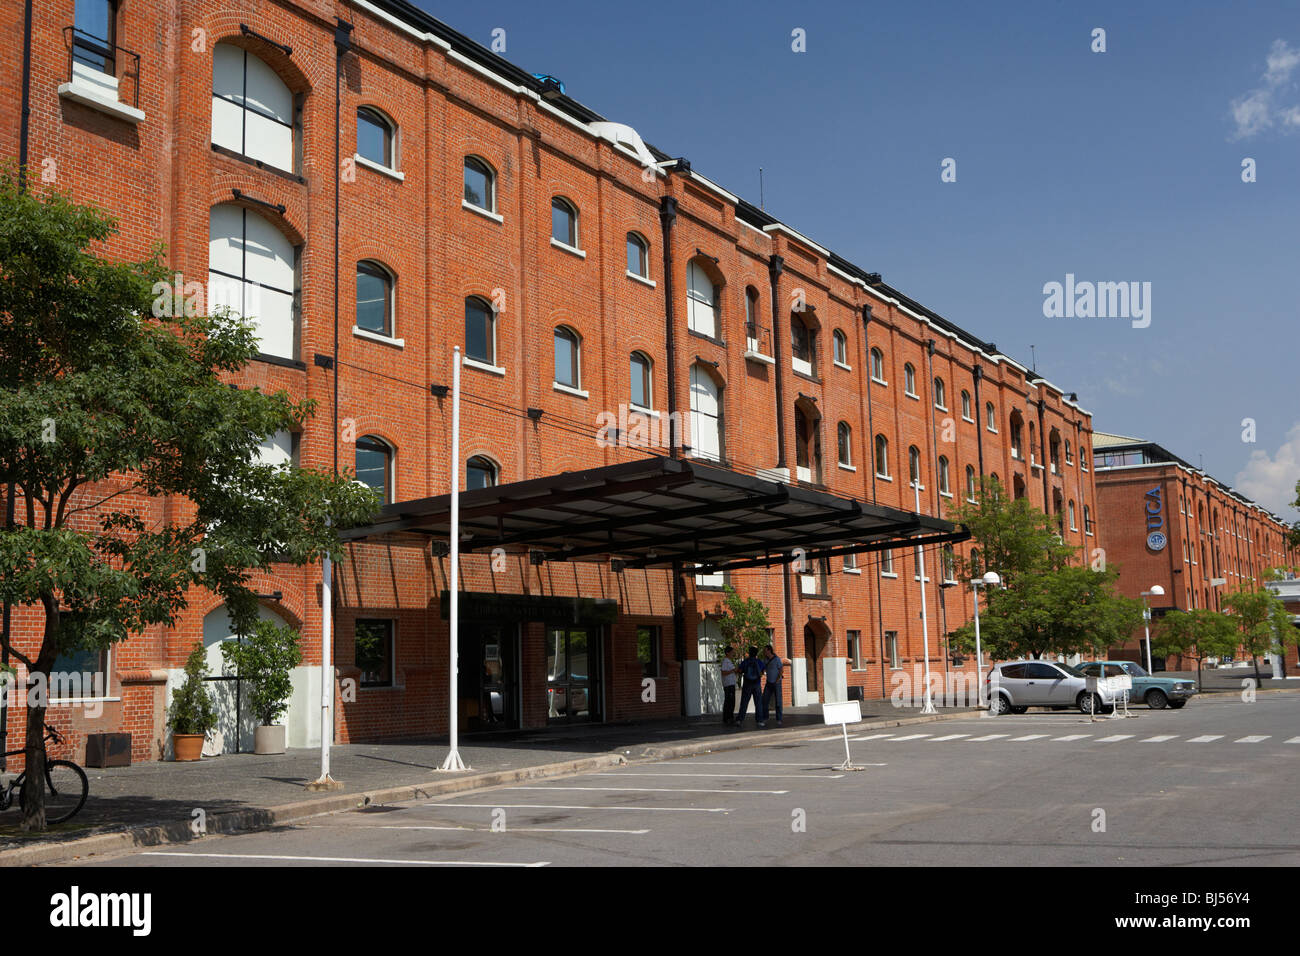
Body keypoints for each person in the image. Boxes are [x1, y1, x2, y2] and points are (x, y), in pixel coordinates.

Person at [736, 646, 764, 728]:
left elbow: (740, 671)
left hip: (747, 684)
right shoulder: (759, 662)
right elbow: (762, 673)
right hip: (757, 684)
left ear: (749, 652)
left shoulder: (746, 661)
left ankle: (740, 720)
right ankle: (759, 721)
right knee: (758, 703)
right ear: (756, 653)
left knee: (744, 703)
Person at [761, 644, 784, 726]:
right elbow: (762, 668)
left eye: (765, 650)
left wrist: (777, 679)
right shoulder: (765, 660)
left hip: (776, 683)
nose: (764, 652)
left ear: (769, 650)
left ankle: (779, 719)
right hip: (769, 683)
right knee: (764, 700)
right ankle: (765, 717)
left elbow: (781, 670)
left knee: (778, 701)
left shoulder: (777, 659)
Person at [719, 645, 737, 725]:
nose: (733, 654)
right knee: (729, 701)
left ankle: (729, 717)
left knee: (731, 701)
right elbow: (723, 672)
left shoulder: (729, 661)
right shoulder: (726, 661)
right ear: (727, 653)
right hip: (728, 684)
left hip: (731, 683)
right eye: (732, 652)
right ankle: (728, 718)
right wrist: (732, 670)